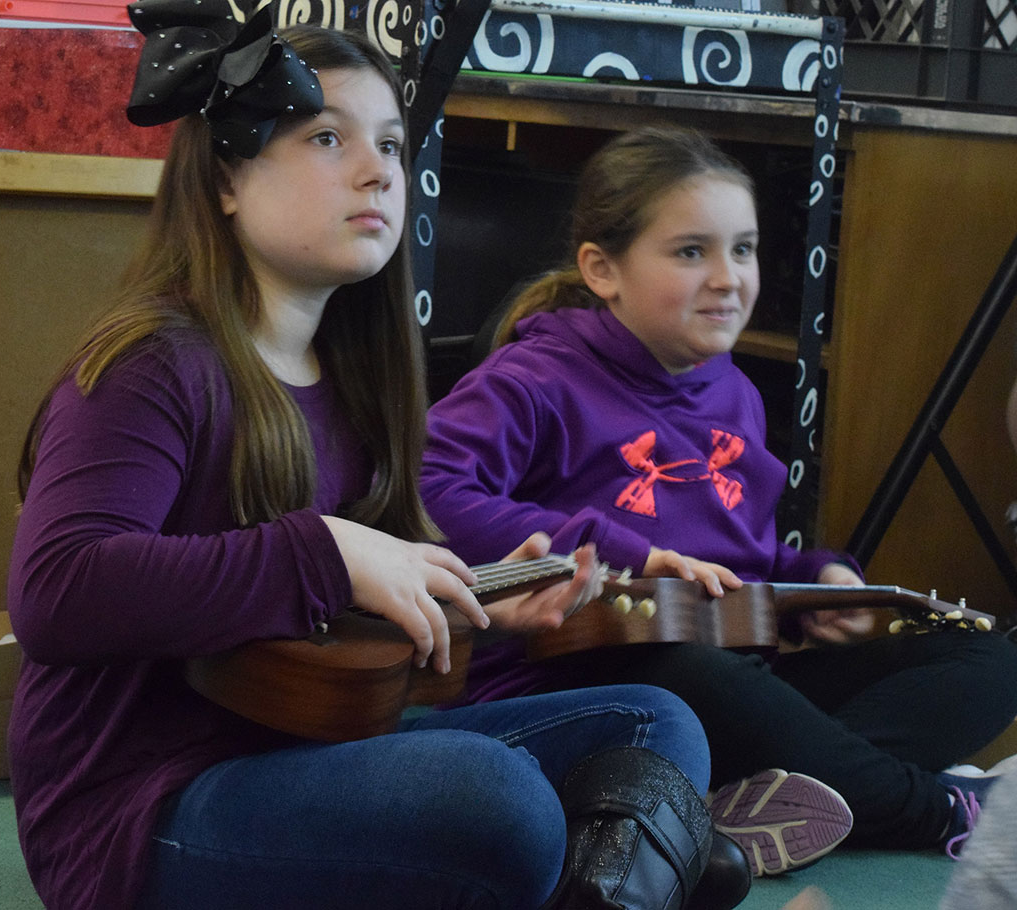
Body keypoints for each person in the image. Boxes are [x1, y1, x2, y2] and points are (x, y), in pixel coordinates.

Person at [6, 16, 751, 910]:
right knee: (501, 800)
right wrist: (328, 550)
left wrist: (480, 601)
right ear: (227, 178)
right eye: (328, 137)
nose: (378, 171)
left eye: (391, 145)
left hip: (308, 752)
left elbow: (342, 650)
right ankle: (641, 866)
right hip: (142, 812)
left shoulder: (359, 381)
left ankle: (612, 877)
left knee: (654, 721)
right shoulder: (154, 363)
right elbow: (58, 592)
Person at [420, 125, 1017, 876]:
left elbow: (747, 558)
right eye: (690, 251)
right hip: (591, 675)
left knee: (983, 656)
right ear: (603, 270)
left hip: (740, 667)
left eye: (743, 249)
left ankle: (746, 799)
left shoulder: (733, 390)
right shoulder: (534, 378)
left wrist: (825, 579)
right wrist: (619, 551)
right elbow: (430, 486)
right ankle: (938, 812)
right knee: (685, 672)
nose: (728, 277)